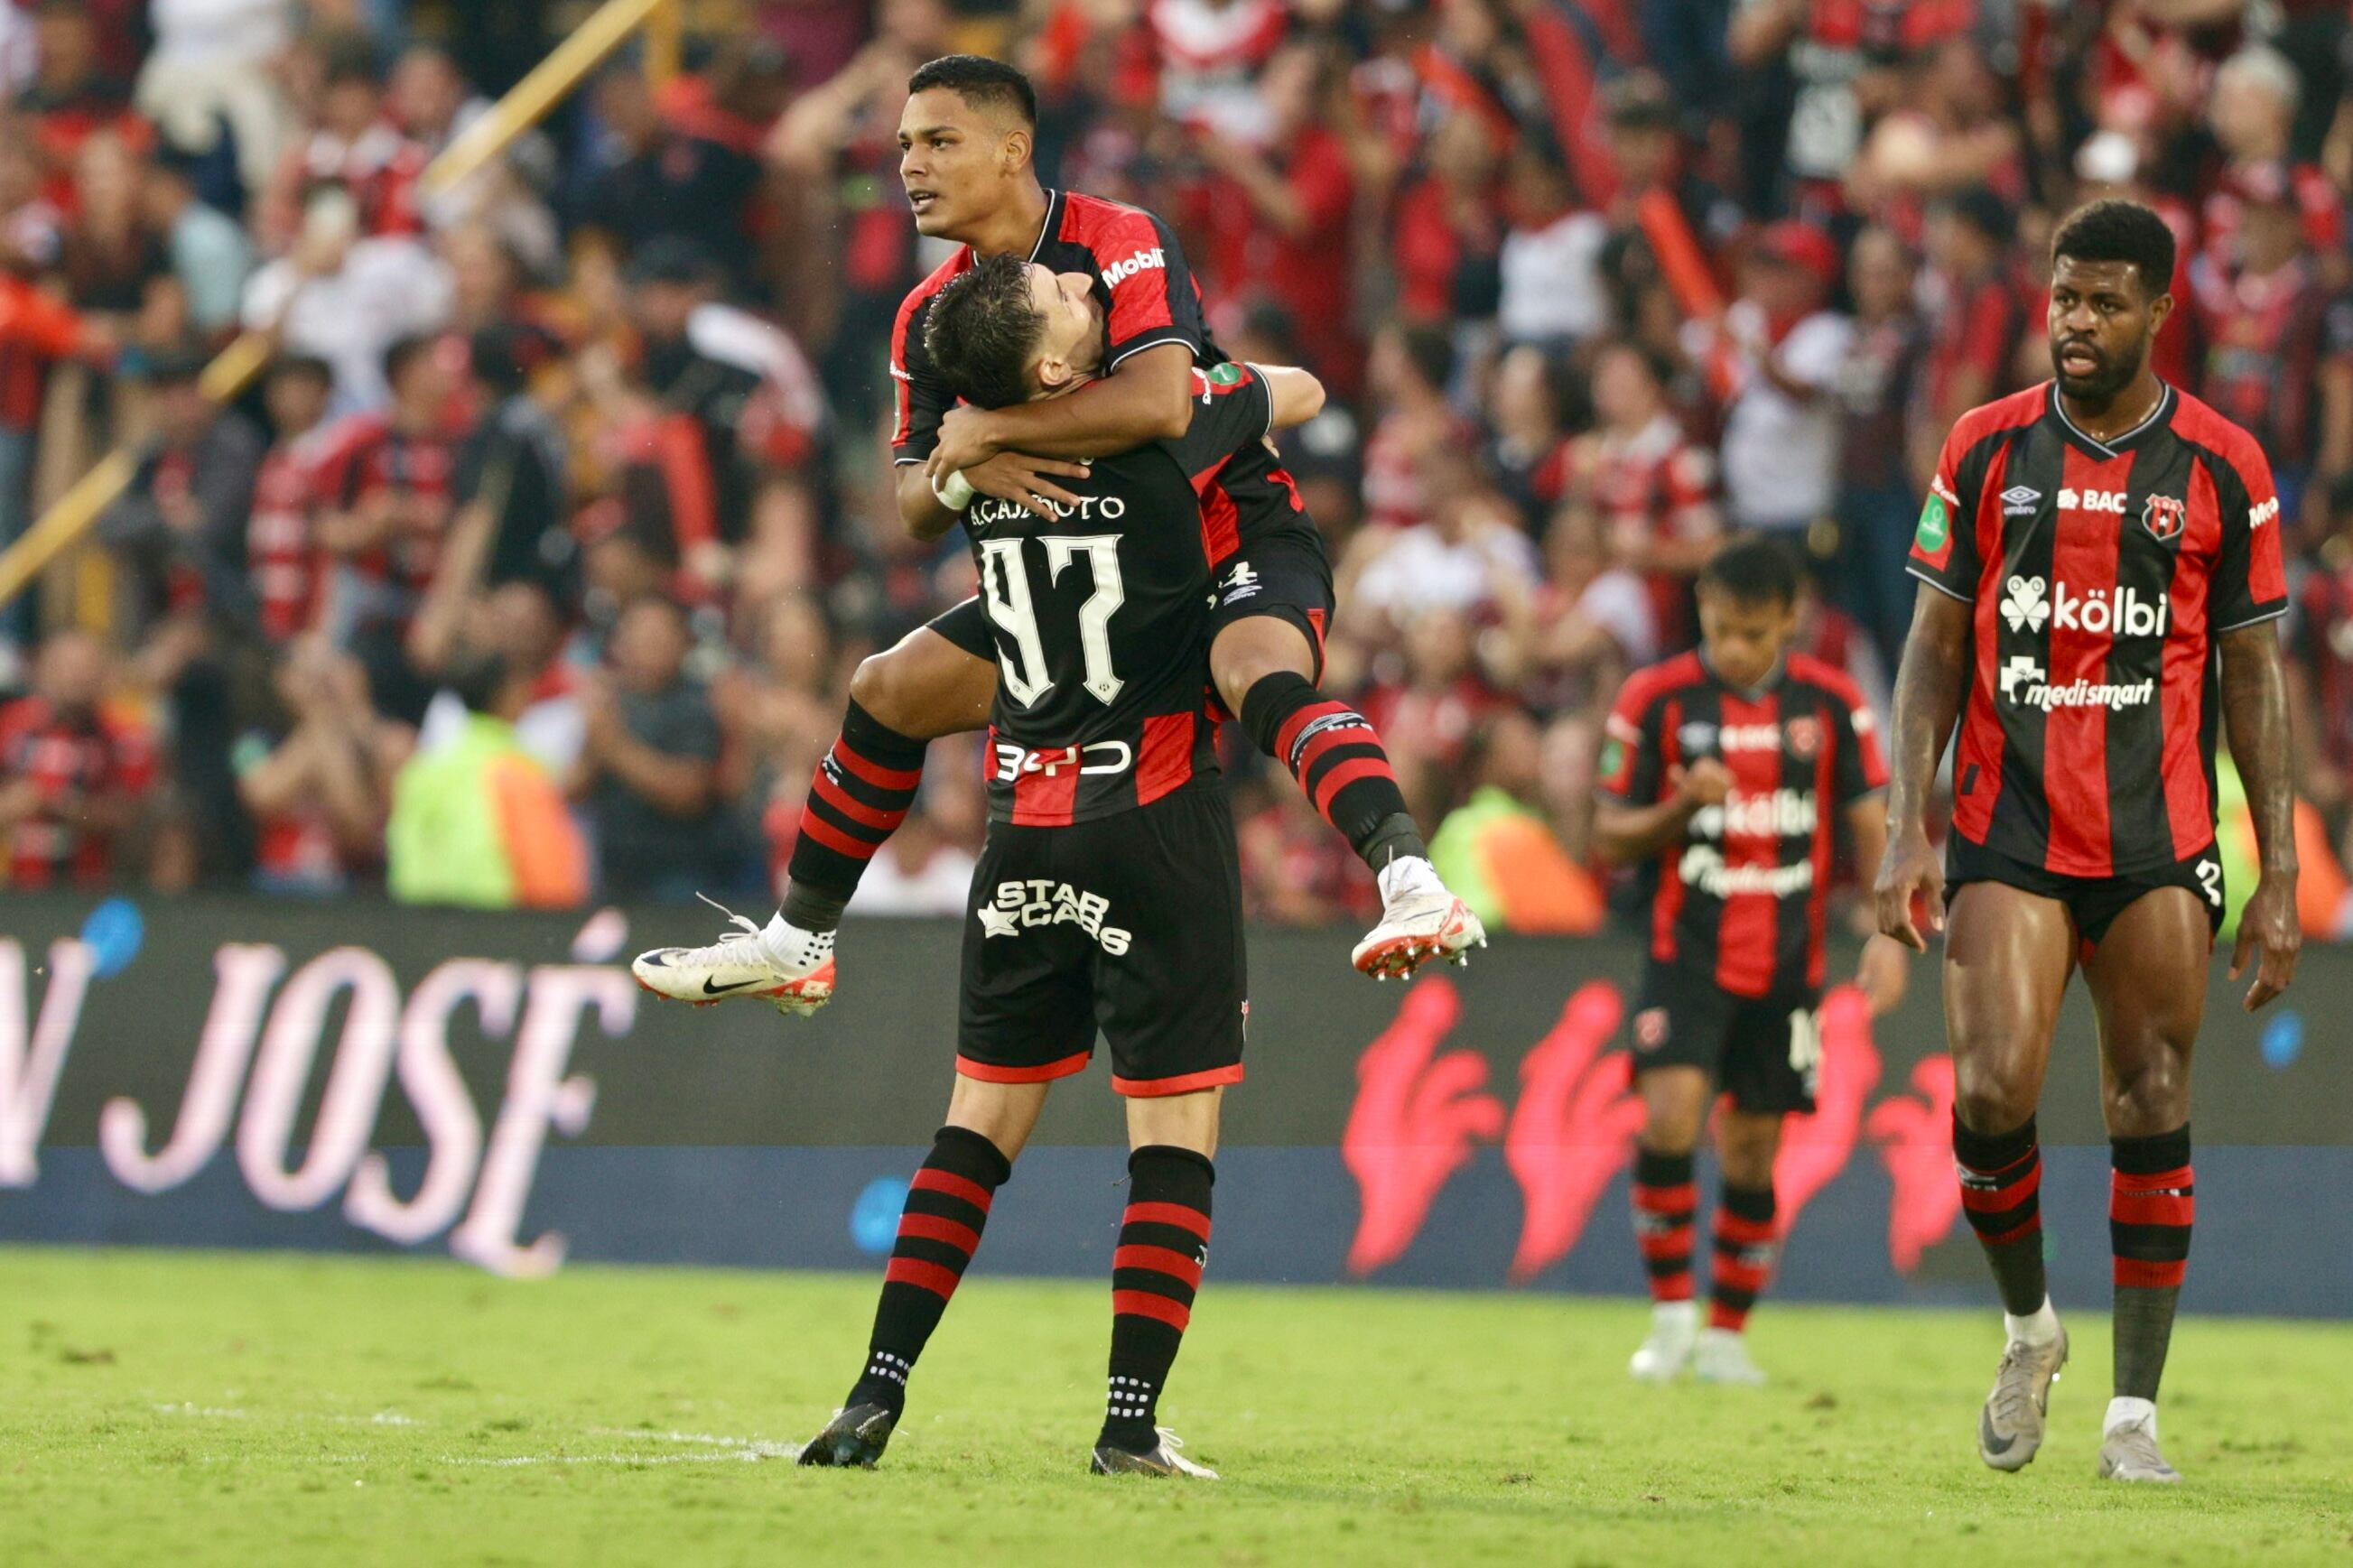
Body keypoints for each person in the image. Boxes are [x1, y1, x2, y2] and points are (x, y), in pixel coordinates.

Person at [633, 55, 1478, 1013]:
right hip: (1080, 581)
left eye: (938, 142)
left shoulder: (1118, 241)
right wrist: (960, 470)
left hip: (1223, 537)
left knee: (1255, 677)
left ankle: (1411, 882)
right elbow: (912, 506)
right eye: (904, 145)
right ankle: (797, 943)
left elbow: (1162, 400)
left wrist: (992, 430)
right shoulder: (927, 313)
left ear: (1010, 150)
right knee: (885, 689)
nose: (910, 165)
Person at [760, 253, 1325, 1478]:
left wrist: (974, 433)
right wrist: (1204, 384)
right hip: (1159, 814)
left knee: (977, 1128)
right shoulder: (1154, 439)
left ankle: (873, 1393)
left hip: (1021, 816)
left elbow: (922, 492)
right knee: (1173, 1134)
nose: (1088, 288)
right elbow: (1301, 391)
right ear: (1063, 368)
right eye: (1070, 302)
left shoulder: (974, 479)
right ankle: (1127, 1423)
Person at [1874, 199, 2301, 1483]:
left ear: (2159, 312)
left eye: (2104, 302)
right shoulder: (1986, 447)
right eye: (2063, 296)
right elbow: (1931, 650)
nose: (2075, 321)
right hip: (2006, 828)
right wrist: (1907, 824)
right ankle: (2027, 1329)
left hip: (2159, 838)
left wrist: (2279, 868)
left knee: (2149, 1098)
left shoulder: (2223, 465)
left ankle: (2133, 1419)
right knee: (1991, 1093)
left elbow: (2253, 678)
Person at [1595, 534, 1906, 1386]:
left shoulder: (1835, 704)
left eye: (1756, 634)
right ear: (1702, 609)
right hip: (1685, 953)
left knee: (1753, 1152)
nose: (1736, 648)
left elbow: (1873, 822)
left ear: (1791, 621)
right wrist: (1677, 805)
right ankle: (1668, 1320)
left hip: (1788, 964)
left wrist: (1887, 931)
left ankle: (1728, 1334)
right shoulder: (1655, 698)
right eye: (1724, 629)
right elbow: (1607, 831)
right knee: (1669, 1118)